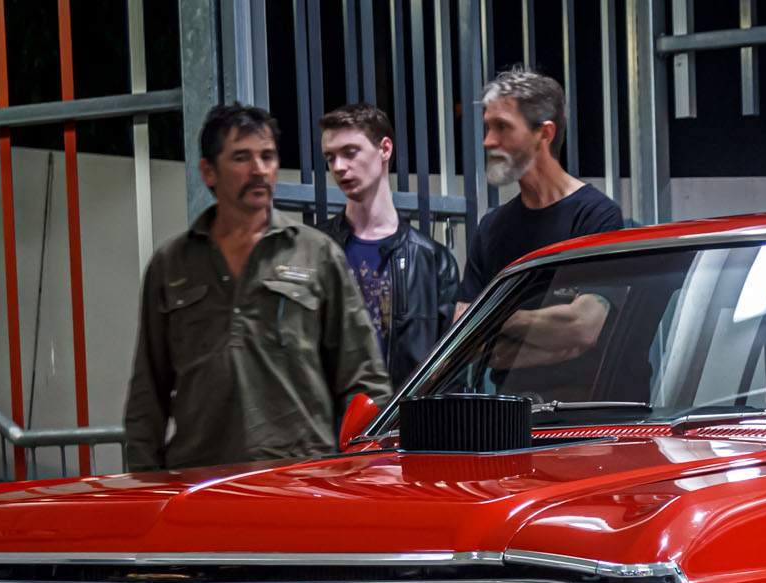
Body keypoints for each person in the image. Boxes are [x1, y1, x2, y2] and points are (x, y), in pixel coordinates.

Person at [123, 103, 389, 472]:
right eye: (241, 157)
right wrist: (144, 486)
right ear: (208, 171)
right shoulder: (172, 265)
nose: (259, 169)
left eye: (267, 156)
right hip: (198, 480)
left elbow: (363, 379)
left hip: (297, 480)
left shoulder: (316, 255)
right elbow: (147, 395)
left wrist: (362, 473)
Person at [454, 66, 624, 361]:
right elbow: (465, 338)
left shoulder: (597, 216)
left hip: (586, 393)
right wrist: (556, 342)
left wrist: (492, 316)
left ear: (544, 133)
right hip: (514, 394)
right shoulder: (492, 228)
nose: (488, 141)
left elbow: (583, 327)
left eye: (502, 127)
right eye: (488, 127)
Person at [318, 103, 461, 389]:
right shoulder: (316, 249)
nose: (338, 167)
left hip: (403, 416)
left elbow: (450, 372)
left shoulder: (433, 261)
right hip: (331, 416)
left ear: (384, 149)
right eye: (330, 157)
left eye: (350, 152)